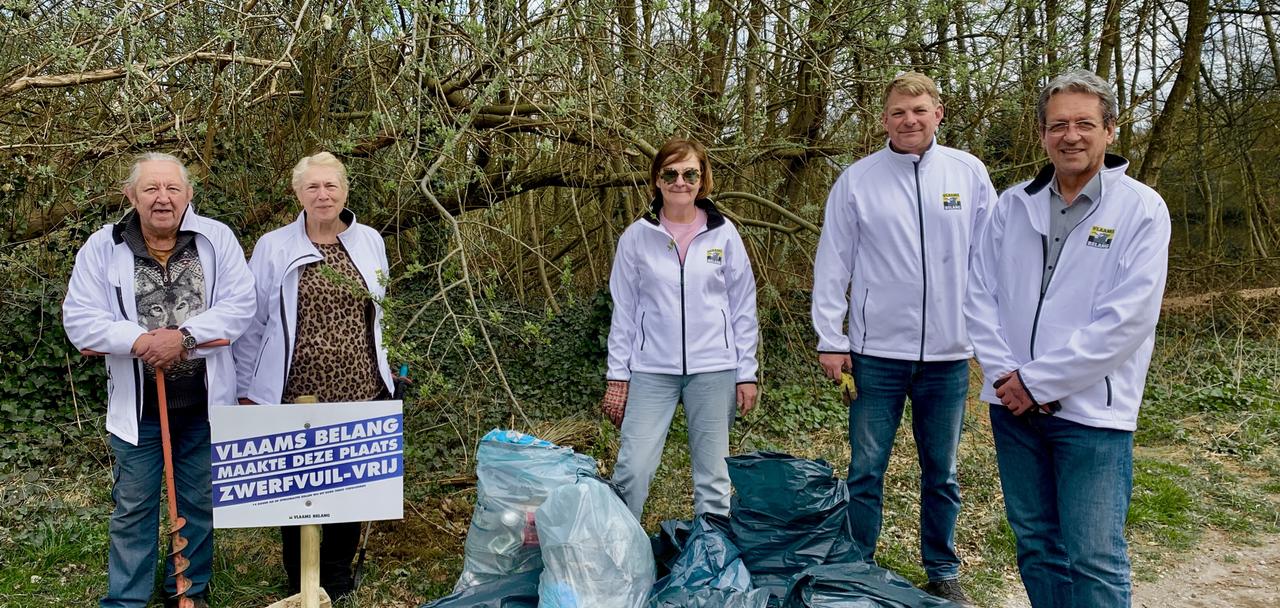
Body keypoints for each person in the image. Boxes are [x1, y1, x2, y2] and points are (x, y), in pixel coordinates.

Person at [964, 70, 1171, 607]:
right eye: (1057, 125)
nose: (1070, 136)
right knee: (1036, 546)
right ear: (1041, 134)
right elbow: (979, 295)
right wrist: (1009, 379)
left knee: (1094, 557)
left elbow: (1128, 320)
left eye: (1084, 124)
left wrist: (1038, 382)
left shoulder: (1142, 209)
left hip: (1092, 414)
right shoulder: (1012, 205)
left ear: (1110, 130)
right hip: (1013, 409)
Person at [811, 72, 996, 604]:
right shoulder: (857, 180)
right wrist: (830, 337)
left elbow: (990, 259)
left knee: (942, 471)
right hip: (875, 356)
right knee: (865, 469)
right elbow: (833, 262)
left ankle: (942, 568)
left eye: (918, 110)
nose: (908, 120)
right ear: (884, 120)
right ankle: (857, 566)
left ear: (938, 113)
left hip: (948, 355)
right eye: (897, 112)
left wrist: (989, 337)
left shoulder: (968, 173)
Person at [63, 153, 256, 608]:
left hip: (203, 404)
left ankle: (187, 592)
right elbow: (80, 319)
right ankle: (126, 600)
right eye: (151, 189)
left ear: (188, 194)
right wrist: (139, 341)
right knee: (134, 506)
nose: (162, 198)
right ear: (131, 195)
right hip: (140, 410)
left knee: (197, 503)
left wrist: (184, 338)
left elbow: (240, 305)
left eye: (172, 188)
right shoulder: (102, 247)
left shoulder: (217, 239)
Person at [232, 151, 394, 601]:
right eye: (313, 187)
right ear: (298, 194)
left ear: (345, 190)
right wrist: (245, 389)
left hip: (359, 385)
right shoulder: (273, 246)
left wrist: (390, 368)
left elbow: (381, 313)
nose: (323, 195)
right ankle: (300, 579)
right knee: (296, 490)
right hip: (295, 389)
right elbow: (252, 323)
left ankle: (336, 579)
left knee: (350, 488)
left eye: (331, 185)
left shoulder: (370, 241)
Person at [603, 137, 759, 521]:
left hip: (714, 369)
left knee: (714, 478)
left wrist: (747, 373)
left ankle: (711, 550)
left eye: (690, 174)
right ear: (657, 179)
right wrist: (617, 376)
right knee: (632, 470)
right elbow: (624, 311)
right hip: (651, 370)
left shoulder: (724, 234)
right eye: (670, 173)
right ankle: (619, 550)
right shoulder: (636, 237)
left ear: (702, 179)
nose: (680, 182)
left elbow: (742, 307)